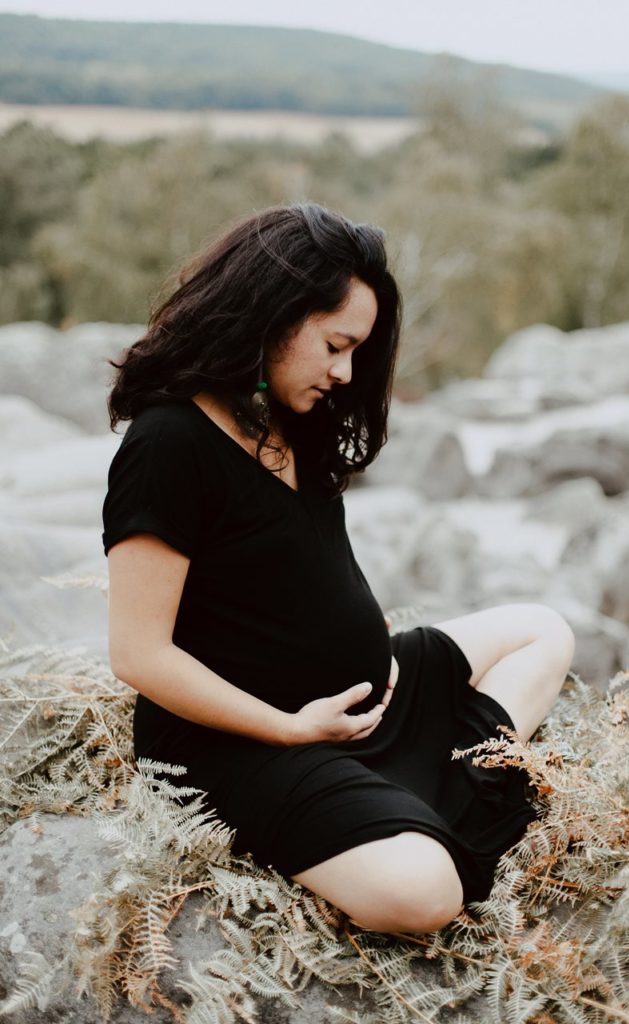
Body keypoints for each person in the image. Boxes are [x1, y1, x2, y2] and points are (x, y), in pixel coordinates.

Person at [102, 201, 576, 935]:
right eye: (335, 345)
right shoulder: (168, 443)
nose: (345, 371)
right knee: (422, 896)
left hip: (358, 709)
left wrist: (368, 647)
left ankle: (422, 789)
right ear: (271, 315)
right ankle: (432, 808)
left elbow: (305, 566)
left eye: (357, 351)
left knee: (542, 630)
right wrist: (287, 728)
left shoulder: (290, 420)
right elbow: (138, 654)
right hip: (247, 743)